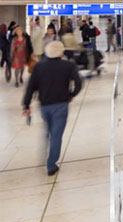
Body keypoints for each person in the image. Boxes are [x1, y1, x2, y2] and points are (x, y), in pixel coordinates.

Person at [22, 41, 82, 176]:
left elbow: (31, 87)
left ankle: (44, 155)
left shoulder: (39, 67)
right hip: (61, 105)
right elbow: (78, 83)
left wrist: (26, 105)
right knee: (56, 134)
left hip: (44, 106)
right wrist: (71, 94)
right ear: (61, 52)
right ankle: (51, 164)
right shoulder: (68, 65)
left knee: (48, 130)